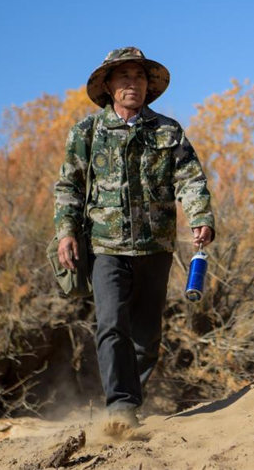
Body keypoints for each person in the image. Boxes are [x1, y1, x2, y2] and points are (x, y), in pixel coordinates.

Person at [53, 47, 215, 433]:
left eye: (139, 77)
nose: (132, 83)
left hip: (155, 247)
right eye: (123, 76)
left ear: (148, 86)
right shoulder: (86, 132)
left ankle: (131, 400)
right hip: (105, 247)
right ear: (108, 86)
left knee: (147, 336)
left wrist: (200, 218)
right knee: (110, 325)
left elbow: (190, 179)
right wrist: (66, 232)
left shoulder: (168, 130)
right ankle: (121, 407)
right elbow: (68, 187)